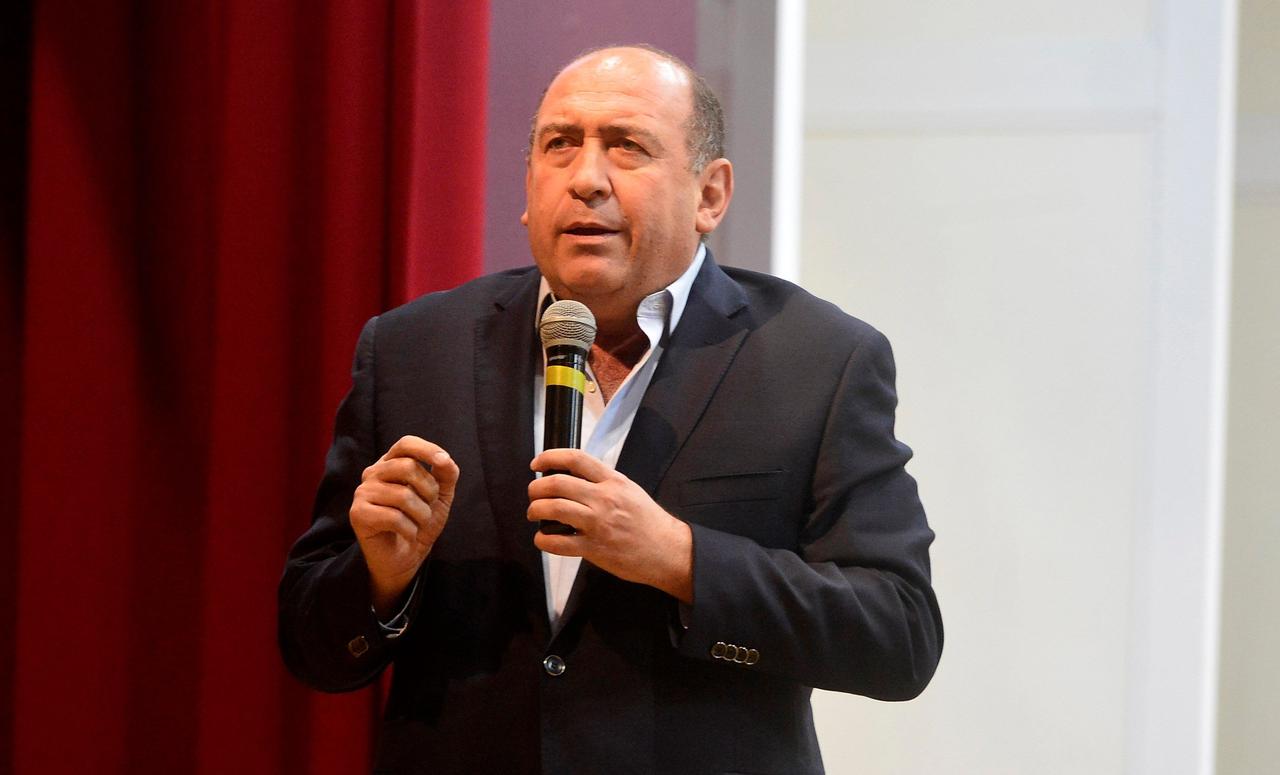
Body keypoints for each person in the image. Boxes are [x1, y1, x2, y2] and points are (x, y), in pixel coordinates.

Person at [278, 44, 942, 774]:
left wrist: (681, 559)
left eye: (627, 146)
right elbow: (311, 644)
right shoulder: (414, 349)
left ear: (710, 195)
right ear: (528, 186)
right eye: (560, 144)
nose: (586, 178)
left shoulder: (817, 359)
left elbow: (899, 634)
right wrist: (381, 577)